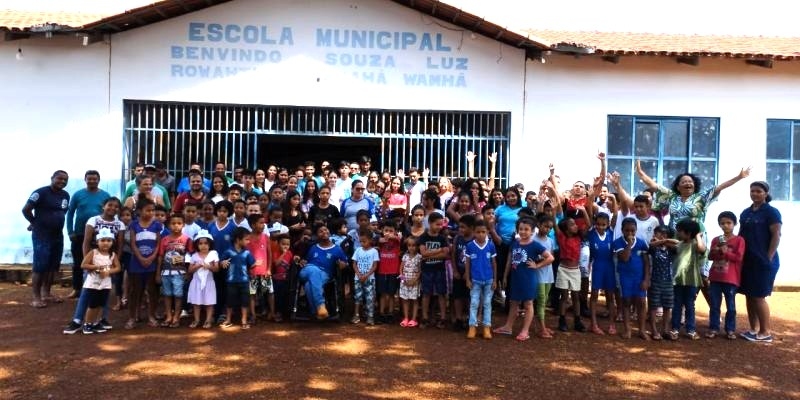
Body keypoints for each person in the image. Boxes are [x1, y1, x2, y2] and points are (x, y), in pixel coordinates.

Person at [62, 198, 125, 335]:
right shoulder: (93, 220)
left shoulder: (119, 224)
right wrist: (89, 264)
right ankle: (77, 320)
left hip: (109, 262)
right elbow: (86, 242)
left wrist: (113, 263)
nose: (112, 208)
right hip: (93, 261)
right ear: (103, 206)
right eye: (110, 205)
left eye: (116, 206)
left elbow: (119, 246)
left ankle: (101, 320)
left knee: (105, 292)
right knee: (87, 292)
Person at [493, 217, 554, 341]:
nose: (523, 232)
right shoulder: (515, 243)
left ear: (532, 231)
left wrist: (537, 265)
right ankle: (508, 327)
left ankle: (525, 330)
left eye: (526, 229)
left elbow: (550, 258)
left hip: (528, 278)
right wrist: (505, 276)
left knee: (528, 303)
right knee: (513, 302)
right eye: (520, 229)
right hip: (516, 278)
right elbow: (510, 260)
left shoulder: (535, 245)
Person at [738, 181, 781, 343]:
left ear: (765, 193)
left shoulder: (771, 212)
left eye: (758, 191)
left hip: (763, 261)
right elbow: (741, 235)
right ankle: (753, 329)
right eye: (752, 191)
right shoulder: (746, 213)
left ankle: (765, 332)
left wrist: (769, 257)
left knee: (759, 296)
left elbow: (777, 235)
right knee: (749, 295)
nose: (754, 194)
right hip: (748, 260)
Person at [22, 170, 70, 309]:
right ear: (52, 178)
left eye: (65, 180)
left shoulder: (65, 195)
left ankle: (46, 293)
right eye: (59, 179)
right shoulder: (40, 193)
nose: (62, 181)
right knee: (40, 266)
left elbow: (62, 211)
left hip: (57, 235)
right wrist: (35, 222)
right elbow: (26, 209)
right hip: (42, 235)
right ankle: (36, 298)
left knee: (53, 266)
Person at [66, 170, 110, 298]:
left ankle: (98, 287)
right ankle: (76, 289)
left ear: (98, 180)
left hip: (99, 235)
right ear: (85, 180)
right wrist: (70, 231)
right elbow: (70, 213)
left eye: (94, 179)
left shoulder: (105, 195)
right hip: (79, 233)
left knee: (100, 260)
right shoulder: (78, 195)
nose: (92, 181)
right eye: (89, 179)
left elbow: (110, 212)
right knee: (78, 261)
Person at [706, 211, 745, 340]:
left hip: (731, 278)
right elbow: (710, 257)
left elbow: (738, 258)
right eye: (722, 223)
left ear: (734, 224)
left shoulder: (739, 240)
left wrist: (725, 252)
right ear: (719, 225)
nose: (726, 226)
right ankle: (713, 328)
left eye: (729, 223)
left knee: (731, 306)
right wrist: (714, 251)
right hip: (715, 277)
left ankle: (730, 329)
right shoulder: (716, 240)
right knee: (715, 305)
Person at [125, 197, 163, 329]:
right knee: (135, 290)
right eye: (148, 210)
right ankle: (132, 317)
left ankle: (151, 316)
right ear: (139, 211)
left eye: (153, 210)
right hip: (136, 262)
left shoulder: (157, 225)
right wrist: (141, 258)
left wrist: (152, 257)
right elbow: (133, 243)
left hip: (151, 263)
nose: (151, 213)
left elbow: (158, 244)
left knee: (152, 290)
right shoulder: (134, 225)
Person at [298, 224, 348, 319]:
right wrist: (303, 261)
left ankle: (315, 311)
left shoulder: (337, 249)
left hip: (325, 274)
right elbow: (306, 261)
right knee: (313, 270)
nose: (324, 232)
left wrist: (342, 264)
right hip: (308, 270)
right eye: (321, 231)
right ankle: (321, 305)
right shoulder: (313, 248)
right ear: (317, 235)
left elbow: (345, 262)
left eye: (325, 229)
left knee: (309, 285)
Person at [77, 228, 121, 334]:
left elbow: (118, 267)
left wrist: (109, 271)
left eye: (108, 240)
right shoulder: (94, 253)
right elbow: (83, 264)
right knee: (93, 304)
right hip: (93, 284)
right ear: (97, 242)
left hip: (105, 284)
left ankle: (96, 323)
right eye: (103, 240)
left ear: (112, 242)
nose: (106, 243)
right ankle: (87, 324)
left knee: (101, 304)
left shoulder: (112, 255)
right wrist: (97, 267)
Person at [613, 217, 651, 339]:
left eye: (632, 231)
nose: (630, 233)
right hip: (625, 277)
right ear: (622, 230)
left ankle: (642, 330)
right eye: (627, 230)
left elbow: (646, 262)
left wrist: (646, 279)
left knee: (641, 302)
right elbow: (624, 258)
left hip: (639, 277)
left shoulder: (641, 243)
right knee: (626, 302)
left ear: (636, 230)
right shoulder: (617, 243)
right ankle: (627, 330)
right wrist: (629, 244)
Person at [670, 219, 707, 341]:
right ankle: (674, 328)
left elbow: (702, 249)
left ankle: (691, 329)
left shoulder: (695, 245)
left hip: (692, 281)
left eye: (680, 231)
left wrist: (697, 236)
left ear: (689, 233)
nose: (678, 233)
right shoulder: (678, 245)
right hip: (678, 280)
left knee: (690, 305)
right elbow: (671, 243)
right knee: (677, 305)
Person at [155, 213, 192, 328]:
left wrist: (188, 272)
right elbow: (160, 256)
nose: (176, 226)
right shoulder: (164, 240)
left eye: (179, 223)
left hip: (180, 273)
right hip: (166, 272)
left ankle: (176, 316)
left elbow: (190, 256)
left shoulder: (187, 240)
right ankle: (169, 316)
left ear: (183, 225)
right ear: (168, 225)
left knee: (178, 294)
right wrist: (158, 273)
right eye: (173, 223)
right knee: (167, 294)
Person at [464, 220, 498, 339]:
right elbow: (467, 264)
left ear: (488, 232)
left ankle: (486, 327)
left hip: (489, 280)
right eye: (478, 232)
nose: (481, 234)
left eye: (483, 232)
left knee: (487, 303)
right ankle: (472, 326)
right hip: (475, 281)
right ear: (474, 232)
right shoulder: (470, 246)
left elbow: (494, 264)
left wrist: (495, 280)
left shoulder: (491, 245)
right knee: (474, 303)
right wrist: (467, 279)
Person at [555, 217, 588, 333]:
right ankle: (562, 320)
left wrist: (584, 212)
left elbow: (588, 224)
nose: (576, 226)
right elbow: (555, 225)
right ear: (566, 229)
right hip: (563, 269)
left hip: (575, 270)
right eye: (572, 225)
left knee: (576, 296)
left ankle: (577, 321)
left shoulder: (579, 237)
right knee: (564, 296)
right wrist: (554, 211)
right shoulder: (561, 237)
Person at [587, 212, 617, 336]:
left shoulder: (611, 233)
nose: (600, 227)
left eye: (603, 224)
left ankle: (611, 324)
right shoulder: (591, 233)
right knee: (594, 294)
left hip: (609, 267)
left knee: (610, 296)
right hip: (597, 266)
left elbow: (615, 214)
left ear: (608, 224)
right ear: (594, 224)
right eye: (598, 224)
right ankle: (593, 324)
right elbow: (588, 214)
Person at [219, 227, 255, 329]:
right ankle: (228, 319)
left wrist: (255, 264)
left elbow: (252, 263)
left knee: (245, 301)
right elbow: (221, 263)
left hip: (244, 281)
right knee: (230, 301)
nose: (248, 241)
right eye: (246, 239)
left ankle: (244, 320)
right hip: (231, 281)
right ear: (238, 240)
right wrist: (222, 263)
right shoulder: (228, 252)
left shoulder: (247, 253)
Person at [648, 225, 678, 341]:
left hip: (668, 281)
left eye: (664, 234)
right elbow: (650, 246)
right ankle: (654, 330)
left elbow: (678, 243)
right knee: (653, 306)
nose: (661, 236)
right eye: (658, 233)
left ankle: (665, 330)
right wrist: (661, 242)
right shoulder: (653, 247)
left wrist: (664, 241)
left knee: (667, 306)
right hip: (655, 280)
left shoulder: (670, 248)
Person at [187, 230, 219, 329]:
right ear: (197, 245)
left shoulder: (213, 254)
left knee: (209, 302)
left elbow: (217, 269)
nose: (203, 246)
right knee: (196, 302)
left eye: (206, 243)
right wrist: (197, 266)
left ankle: (208, 320)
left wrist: (209, 266)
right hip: (197, 282)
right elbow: (190, 270)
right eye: (200, 243)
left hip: (209, 282)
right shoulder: (194, 256)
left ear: (210, 244)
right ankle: (196, 320)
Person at [450, 214, 475, 331]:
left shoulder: (475, 240)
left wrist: (468, 272)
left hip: (470, 274)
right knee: (457, 296)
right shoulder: (457, 238)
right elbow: (454, 254)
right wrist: (455, 270)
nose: (460, 230)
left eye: (463, 227)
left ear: (471, 228)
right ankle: (459, 319)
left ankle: (471, 320)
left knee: (469, 297)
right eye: (459, 227)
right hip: (458, 272)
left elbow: (476, 258)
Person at [247, 213, 272, 325]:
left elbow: (269, 254)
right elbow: (245, 255)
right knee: (252, 294)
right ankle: (253, 315)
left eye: (264, 223)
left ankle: (271, 313)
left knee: (269, 293)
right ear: (253, 225)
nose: (263, 225)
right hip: (252, 272)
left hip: (265, 272)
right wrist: (248, 269)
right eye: (261, 223)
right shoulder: (247, 238)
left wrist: (269, 269)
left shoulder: (266, 237)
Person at [351, 231, 380, 325]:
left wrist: (366, 275)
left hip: (370, 279)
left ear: (371, 240)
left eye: (364, 241)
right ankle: (356, 315)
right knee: (357, 297)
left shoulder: (374, 251)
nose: (362, 243)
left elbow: (375, 266)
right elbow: (354, 264)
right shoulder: (358, 250)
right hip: (358, 278)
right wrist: (359, 274)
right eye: (361, 241)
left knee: (370, 298)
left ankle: (370, 316)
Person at [376, 220, 402, 324]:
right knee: (382, 293)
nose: (388, 233)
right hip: (382, 271)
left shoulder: (397, 240)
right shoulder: (380, 240)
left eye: (391, 231)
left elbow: (398, 239)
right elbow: (377, 240)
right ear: (382, 231)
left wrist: (391, 236)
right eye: (386, 230)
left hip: (393, 271)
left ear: (395, 231)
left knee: (391, 294)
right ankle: (382, 313)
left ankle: (391, 313)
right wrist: (381, 239)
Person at [399, 236, 422, 327]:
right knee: (405, 300)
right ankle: (406, 318)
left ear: (417, 246)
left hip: (415, 282)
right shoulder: (405, 256)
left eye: (413, 245)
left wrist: (414, 280)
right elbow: (400, 269)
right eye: (409, 245)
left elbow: (420, 270)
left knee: (415, 300)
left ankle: (413, 319)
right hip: (404, 282)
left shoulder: (419, 257)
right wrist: (403, 279)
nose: (411, 247)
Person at [271, 234, 293, 322]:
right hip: (277, 280)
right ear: (278, 244)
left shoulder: (290, 253)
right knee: (278, 297)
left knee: (285, 296)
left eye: (287, 244)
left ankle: (285, 314)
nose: (285, 246)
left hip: (286, 279)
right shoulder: (276, 253)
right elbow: (276, 263)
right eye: (283, 244)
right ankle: (278, 313)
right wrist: (283, 253)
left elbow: (292, 264)